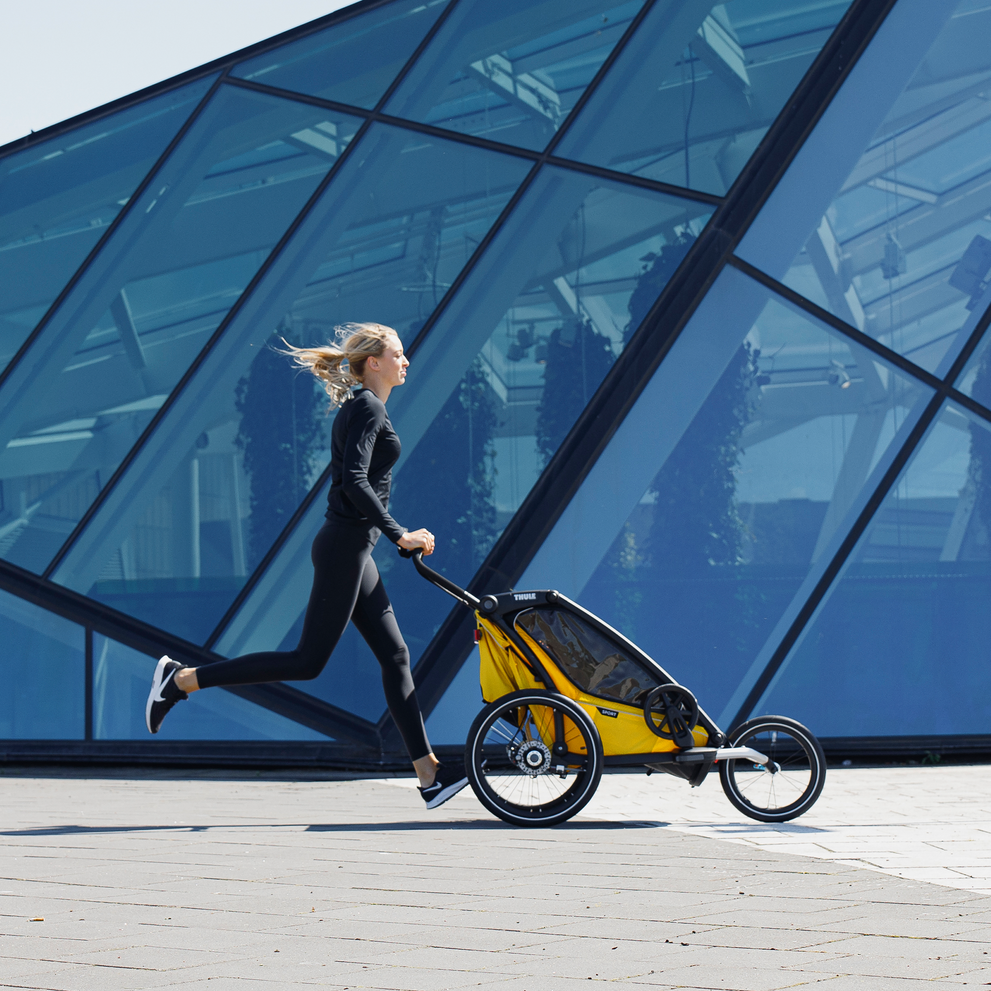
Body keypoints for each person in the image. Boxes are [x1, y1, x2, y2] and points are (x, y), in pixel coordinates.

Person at [144, 322, 468, 810]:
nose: (406, 362)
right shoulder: (367, 406)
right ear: (373, 363)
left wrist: (384, 535)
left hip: (355, 549)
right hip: (345, 547)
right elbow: (353, 480)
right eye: (398, 354)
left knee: (397, 657)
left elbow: (358, 480)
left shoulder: (367, 407)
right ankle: (182, 679)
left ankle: (429, 776)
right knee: (306, 662)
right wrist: (399, 532)